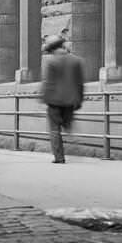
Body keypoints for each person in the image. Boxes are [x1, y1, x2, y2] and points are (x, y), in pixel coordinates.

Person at [39, 34, 84, 163]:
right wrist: (79, 100)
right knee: (66, 123)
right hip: (70, 100)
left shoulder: (52, 61)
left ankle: (59, 157)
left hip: (54, 101)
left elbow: (48, 83)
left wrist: (43, 99)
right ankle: (68, 128)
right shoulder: (76, 60)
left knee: (54, 130)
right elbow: (80, 83)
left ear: (52, 49)